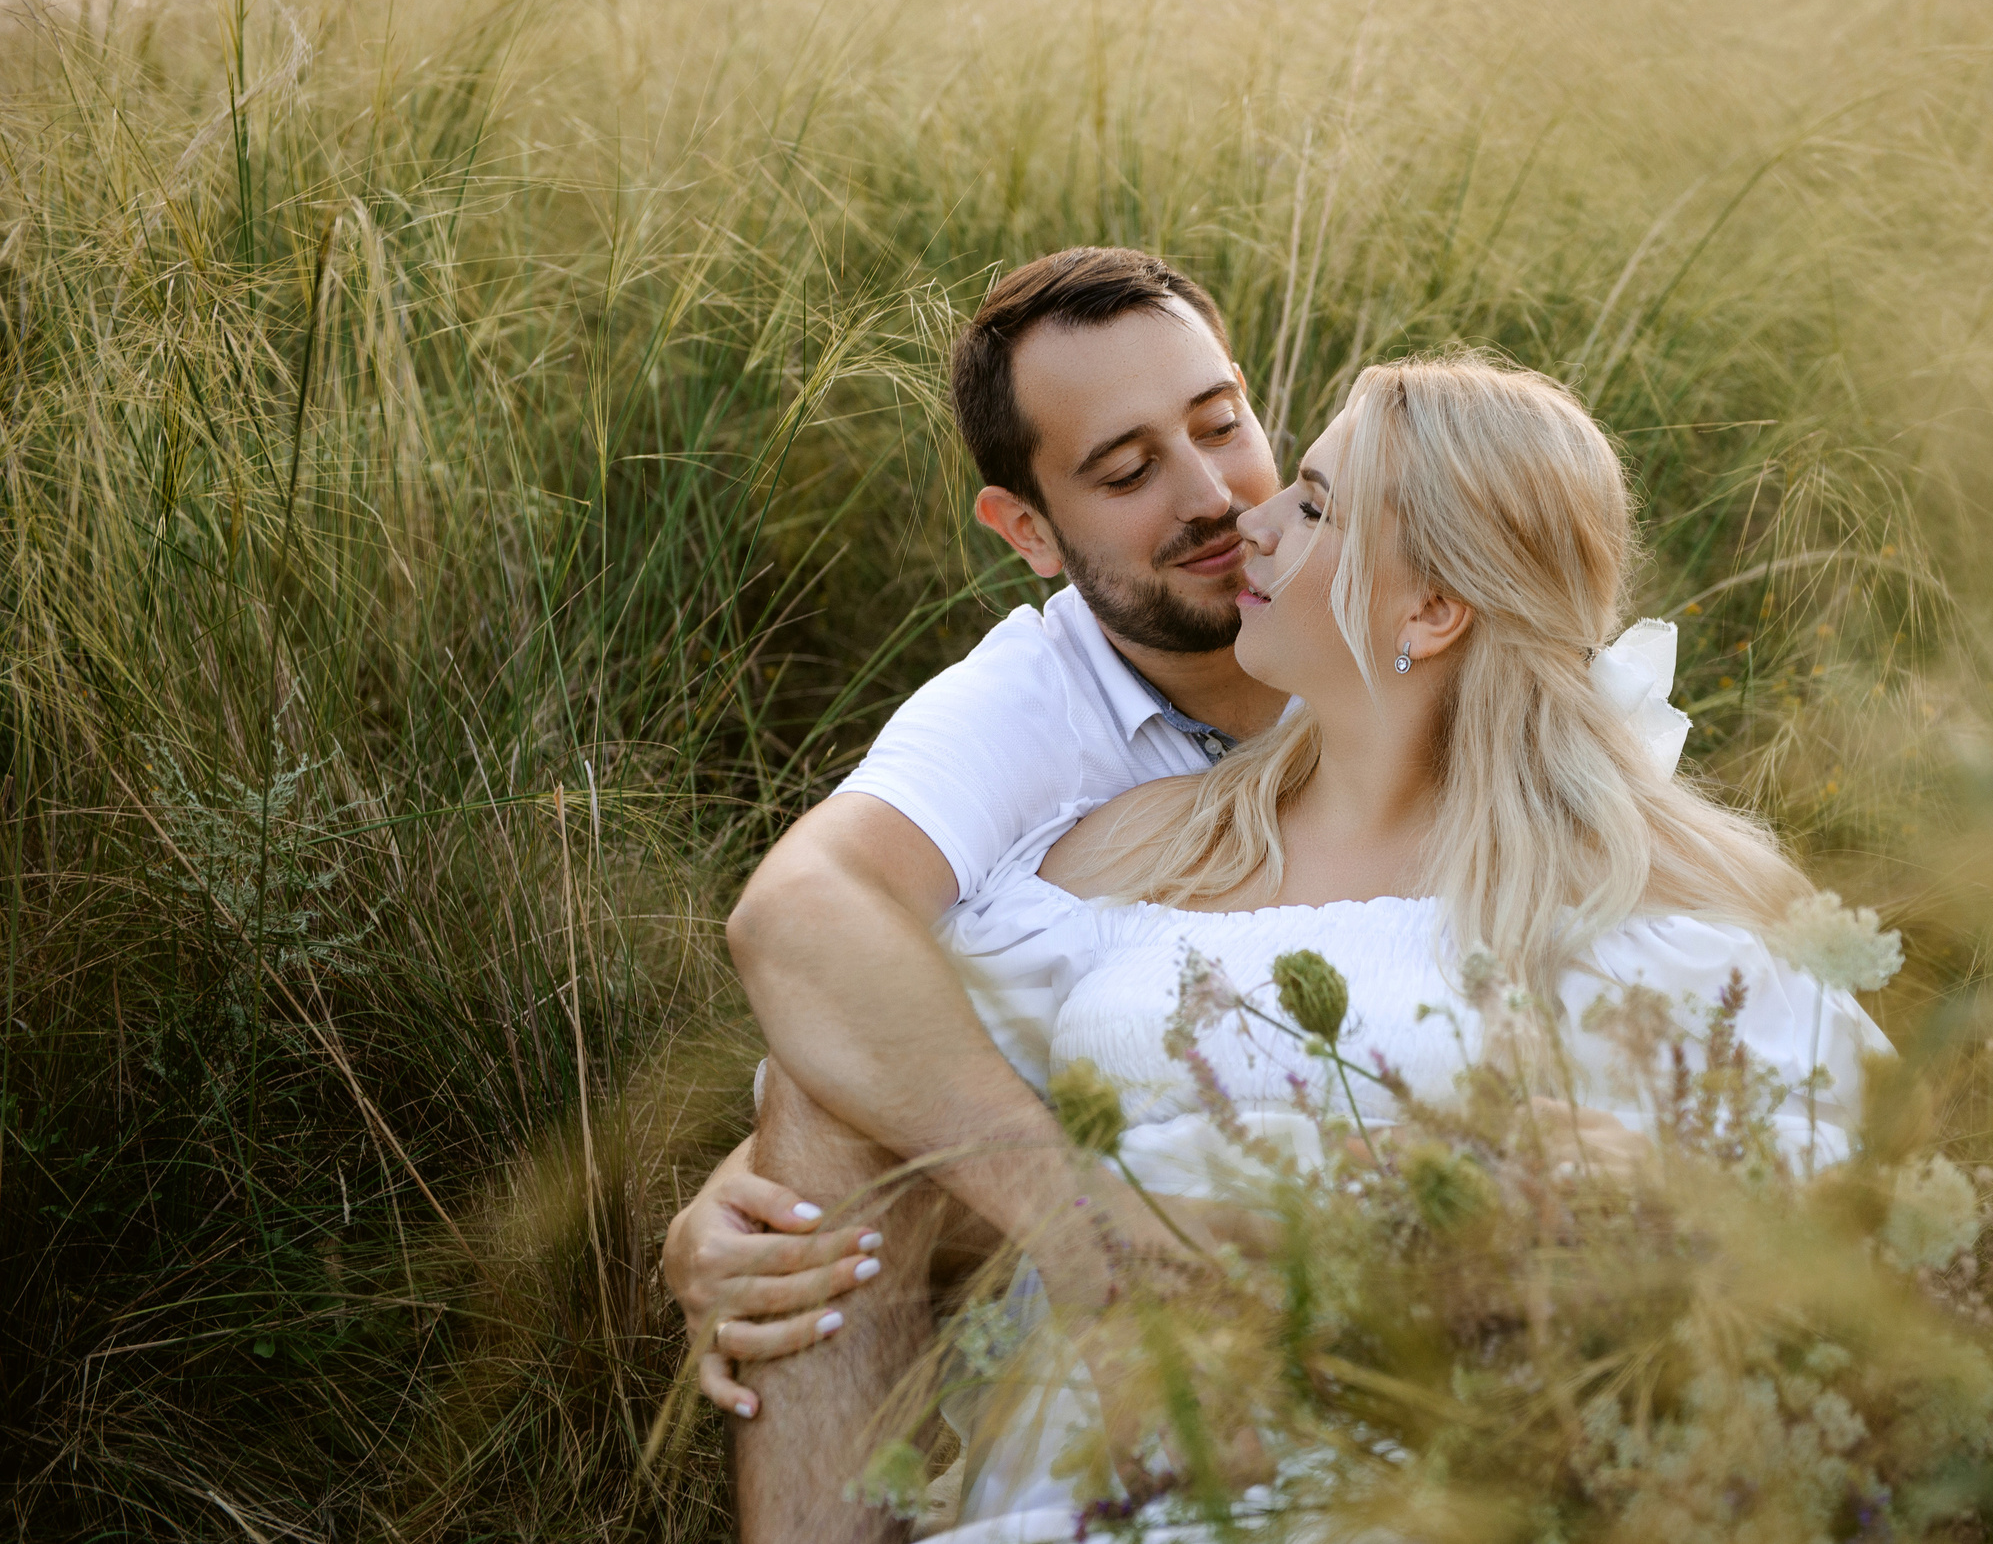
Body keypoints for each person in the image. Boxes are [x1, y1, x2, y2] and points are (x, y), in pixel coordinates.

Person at [914, 353, 1891, 1539]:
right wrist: (749, 1206)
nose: (1251, 522)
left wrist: (1650, 1194)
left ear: (1428, 609)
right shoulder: (1135, 849)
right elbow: (900, 1100)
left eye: (1315, 505)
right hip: (1090, 1489)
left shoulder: (1662, 896)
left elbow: (1850, 1240)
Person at [665, 246, 1296, 1542]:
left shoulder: (1377, 582)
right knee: (811, 1150)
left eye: (1222, 424)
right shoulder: (1029, 703)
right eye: (1125, 474)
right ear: (1028, 533)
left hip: (1367, 1092)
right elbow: (796, 911)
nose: (1213, 494)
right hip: (1134, 1141)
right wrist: (1079, 1229)